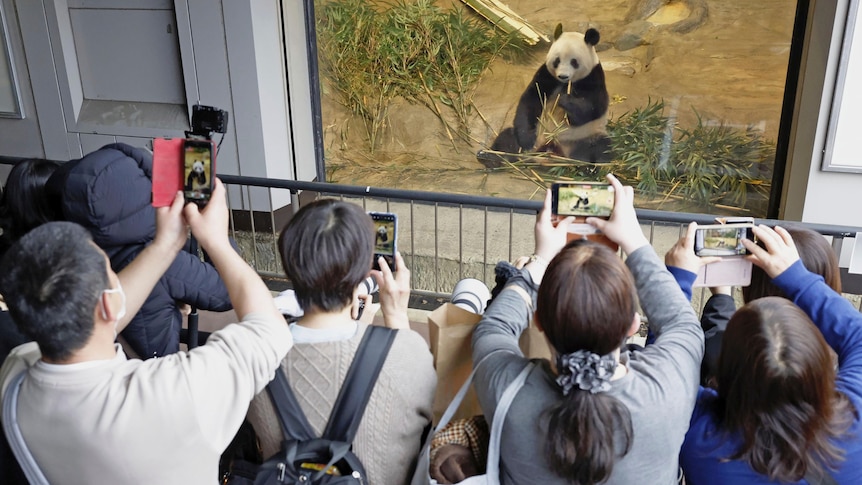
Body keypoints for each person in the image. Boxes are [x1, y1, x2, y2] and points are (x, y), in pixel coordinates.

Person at [0, 181, 293, 485]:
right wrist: (216, 240)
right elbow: (269, 331)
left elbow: (93, 319)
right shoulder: (170, 395)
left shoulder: (16, 374)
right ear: (108, 302)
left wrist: (164, 246)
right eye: (111, 271)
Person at [470, 174, 703, 484]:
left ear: (538, 321)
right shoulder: (668, 387)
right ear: (633, 325)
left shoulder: (507, 390)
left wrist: (540, 259)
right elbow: (681, 321)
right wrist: (633, 239)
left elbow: (494, 328)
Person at [246, 199, 435, 485]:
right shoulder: (406, 352)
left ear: (288, 266)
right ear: (363, 270)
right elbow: (433, 415)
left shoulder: (252, 357)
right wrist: (395, 314)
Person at [676, 225, 861, 483]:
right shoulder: (854, 423)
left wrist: (678, 280)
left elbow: (666, 371)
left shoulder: (698, 434)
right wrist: (797, 277)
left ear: (727, 367)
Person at [45, 143, 232, 358]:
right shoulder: (161, 259)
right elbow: (225, 292)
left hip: (101, 362)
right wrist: (215, 235)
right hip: (153, 370)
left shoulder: (70, 251)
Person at [673, 226, 841, 386]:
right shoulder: (844, 379)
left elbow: (665, 365)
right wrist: (799, 278)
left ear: (753, 285)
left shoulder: (717, 365)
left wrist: (679, 280)